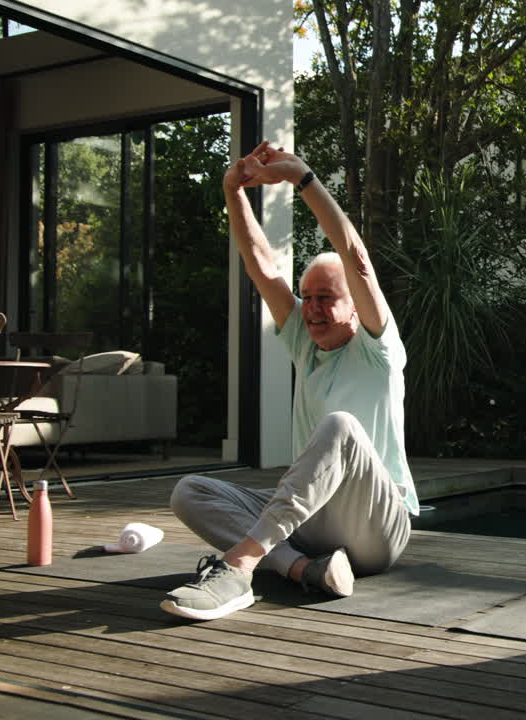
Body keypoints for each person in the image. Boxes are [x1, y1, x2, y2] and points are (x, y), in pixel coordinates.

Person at [161, 141, 419, 621]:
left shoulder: (377, 348)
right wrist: (232, 189)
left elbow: (356, 257)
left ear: (353, 305)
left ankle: (240, 566)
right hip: (310, 526)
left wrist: (304, 179)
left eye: (326, 297)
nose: (313, 308)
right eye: (307, 298)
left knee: (339, 426)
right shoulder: (305, 339)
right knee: (189, 491)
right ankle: (305, 571)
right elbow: (260, 265)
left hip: (378, 529)